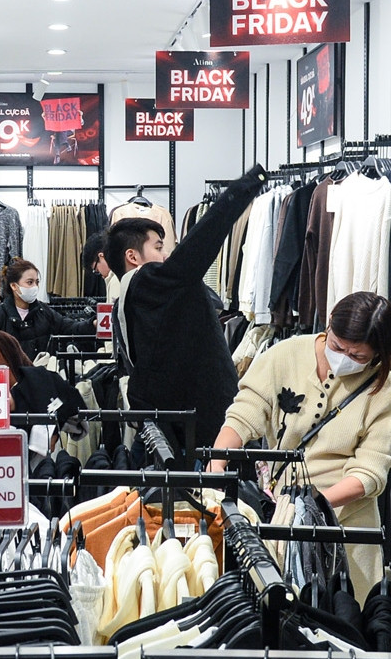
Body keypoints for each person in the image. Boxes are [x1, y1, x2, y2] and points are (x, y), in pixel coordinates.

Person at [208, 291, 391, 602]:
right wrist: (218, 462)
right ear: (329, 323)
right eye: (337, 347)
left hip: (347, 526)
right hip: (282, 518)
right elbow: (246, 411)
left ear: (379, 354)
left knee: (348, 616)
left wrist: (310, 509)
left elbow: (369, 472)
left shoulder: (389, 393)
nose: (344, 358)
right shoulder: (285, 355)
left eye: (358, 357)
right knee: (282, 612)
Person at [84, 165, 265, 454]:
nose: (166, 255)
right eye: (158, 247)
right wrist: (248, 184)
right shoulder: (150, 281)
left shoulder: (127, 301)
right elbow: (203, 239)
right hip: (203, 425)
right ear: (133, 256)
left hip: (175, 427)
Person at [0, 257, 97, 358]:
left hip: (41, 369)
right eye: (30, 282)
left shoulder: (43, 311)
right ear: (14, 286)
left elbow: (70, 327)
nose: (35, 287)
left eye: (37, 282)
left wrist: (93, 323)